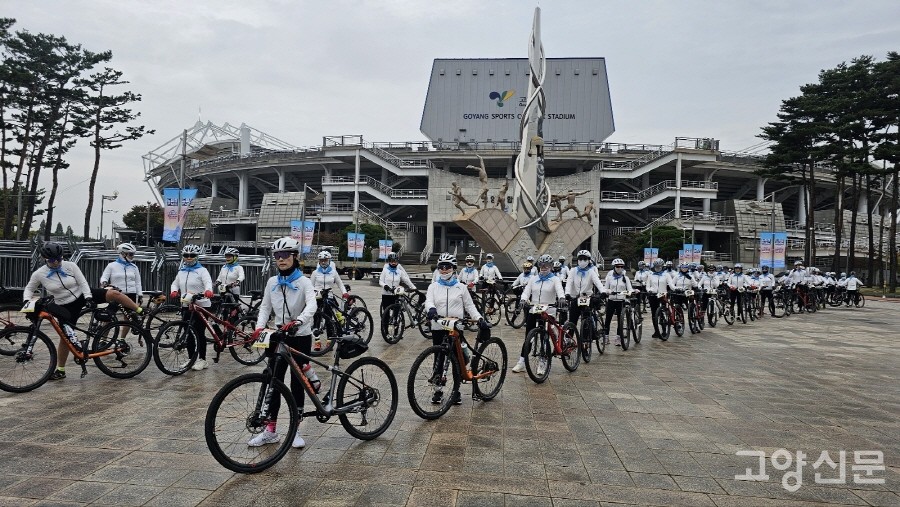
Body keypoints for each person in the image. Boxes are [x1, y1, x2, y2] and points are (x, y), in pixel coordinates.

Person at [249, 237, 318, 449]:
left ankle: (295, 429)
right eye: (277, 256)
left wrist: (299, 321)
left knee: (297, 383)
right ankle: (270, 430)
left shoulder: (304, 282)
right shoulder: (272, 282)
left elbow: (312, 305)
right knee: (273, 381)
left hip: (300, 335)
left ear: (295, 257)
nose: (281, 259)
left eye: (285, 255)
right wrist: (259, 328)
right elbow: (265, 308)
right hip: (278, 336)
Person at [24, 242, 98, 380]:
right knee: (65, 338)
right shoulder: (39, 273)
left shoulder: (70, 266)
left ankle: (136, 312)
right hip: (64, 305)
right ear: (45, 259)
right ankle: (61, 370)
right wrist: (26, 301)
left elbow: (83, 282)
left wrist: (88, 297)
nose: (57, 262)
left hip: (81, 297)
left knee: (114, 294)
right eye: (52, 260)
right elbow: (29, 289)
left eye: (59, 259)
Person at [424, 253, 489, 406]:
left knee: (456, 360)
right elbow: (428, 301)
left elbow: (470, 306)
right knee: (439, 359)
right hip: (438, 327)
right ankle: (438, 390)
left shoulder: (461, 287)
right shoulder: (433, 286)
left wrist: (479, 318)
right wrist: (431, 309)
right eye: (441, 267)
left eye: (447, 267)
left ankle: (456, 391)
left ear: (453, 268)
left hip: (455, 327)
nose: (444, 270)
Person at [512, 254, 564, 374]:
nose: (544, 267)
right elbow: (526, 291)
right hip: (534, 309)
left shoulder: (555, 279)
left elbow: (559, 290)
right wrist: (523, 300)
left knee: (544, 337)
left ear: (551, 266)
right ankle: (522, 361)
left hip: (548, 310)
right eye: (541, 265)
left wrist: (561, 298)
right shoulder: (533, 279)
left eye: (547, 265)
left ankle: (542, 361)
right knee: (528, 337)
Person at [170, 244, 214, 371]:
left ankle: (202, 360)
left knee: (199, 333)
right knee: (188, 333)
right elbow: (175, 283)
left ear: (197, 256)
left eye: (192, 255)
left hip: (201, 305)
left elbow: (208, 282)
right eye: (186, 255)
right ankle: (191, 359)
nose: (189, 258)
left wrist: (208, 290)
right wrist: (174, 291)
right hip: (186, 305)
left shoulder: (202, 270)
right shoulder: (181, 271)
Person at [564, 250, 605, 327]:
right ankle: (570, 334)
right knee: (572, 321)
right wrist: (567, 293)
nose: (582, 261)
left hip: (588, 297)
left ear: (589, 260)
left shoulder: (591, 272)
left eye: (585, 259)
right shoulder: (573, 271)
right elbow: (569, 283)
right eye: (580, 259)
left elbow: (597, 282)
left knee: (587, 321)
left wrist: (603, 291)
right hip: (575, 298)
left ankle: (591, 330)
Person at [100, 242, 144, 308]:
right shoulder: (111, 266)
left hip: (131, 294)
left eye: (133, 254)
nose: (133, 256)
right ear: (123, 254)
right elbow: (104, 277)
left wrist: (140, 294)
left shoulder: (134, 267)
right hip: (118, 294)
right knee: (111, 312)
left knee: (130, 314)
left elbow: (138, 282)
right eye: (131, 254)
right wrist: (104, 283)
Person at [604, 258, 635, 345]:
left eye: (621, 267)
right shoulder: (609, 278)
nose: (619, 268)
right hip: (611, 300)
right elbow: (605, 288)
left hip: (621, 301)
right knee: (608, 319)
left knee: (620, 320)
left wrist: (629, 292)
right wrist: (609, 291)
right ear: (614, 267)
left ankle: (618, 338)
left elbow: (630, 289)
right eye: (617, 266)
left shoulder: (626, 278)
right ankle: (606, 337)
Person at [644, 259, 669, 339]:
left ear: (662, 267)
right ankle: (656, 331)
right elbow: (647, 286)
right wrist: (649, 290)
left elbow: (671, 284)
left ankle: (664, 330)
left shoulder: (666, 275)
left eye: (659, 266)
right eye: (656, 267)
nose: (658, 268)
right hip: (653, 295)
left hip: (662, 295)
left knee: (662, 312)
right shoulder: (651, 275)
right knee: (654, 314)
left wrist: (675, 288)